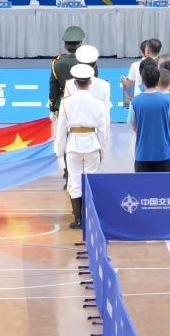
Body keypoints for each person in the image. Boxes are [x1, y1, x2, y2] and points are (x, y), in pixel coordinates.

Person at [54, 63, 109, 228]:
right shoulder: (98, 102)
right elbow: (102, 129)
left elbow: (61, 129)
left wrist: (60, 151)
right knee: (91, 180)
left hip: (73, 145)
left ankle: (78, 219)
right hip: (92, 143)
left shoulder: (66, 102)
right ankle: (91, 217)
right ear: (90, 82)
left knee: (75, 181)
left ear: (74, 83)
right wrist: (101, 148)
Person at [130, 61, 170, 172]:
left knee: (143, 183)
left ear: (142, 81)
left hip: (142, 154)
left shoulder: (134, 101)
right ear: (158, 80)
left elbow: (134, 126)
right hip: (164, 153)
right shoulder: (168, 100)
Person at [48, 26, 84, 118]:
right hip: (83, 102)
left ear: (65, 46)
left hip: (63, 102)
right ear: (81, 43)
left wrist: (52, 109)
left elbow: (53, 88)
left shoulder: (57, 63)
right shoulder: (88, 61)